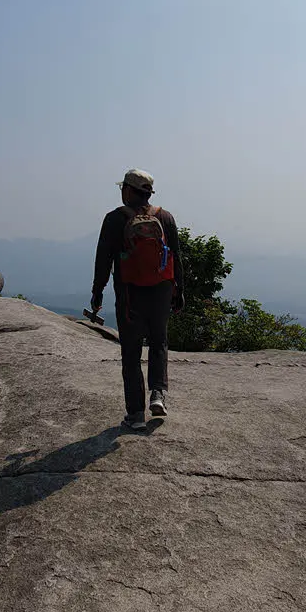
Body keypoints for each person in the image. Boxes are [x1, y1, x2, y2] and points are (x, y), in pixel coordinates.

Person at [91, 169, 185, 431]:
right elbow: (176, 256)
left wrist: (97, 292)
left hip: (130, 293)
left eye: (123, 188)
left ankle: (135, 415)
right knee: (159, 341)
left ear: (129, 191)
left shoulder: (114, 219)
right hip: (162, 290)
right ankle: (157, 394)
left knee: (131, 352)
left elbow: (103, 260)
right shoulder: (165, 217)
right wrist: (180, 291)